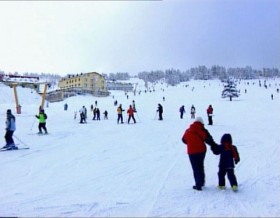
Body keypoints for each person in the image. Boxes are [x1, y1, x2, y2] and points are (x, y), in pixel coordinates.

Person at [182, 117, 219, 191]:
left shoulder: (188, 130)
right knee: (200, 166)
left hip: (191, 151)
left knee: (195, 168)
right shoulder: (202, 129)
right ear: (201, 123)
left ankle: (198, 184)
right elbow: (209, 139)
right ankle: (201, 182)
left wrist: (191, 143)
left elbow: (183, 140)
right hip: (201, 151)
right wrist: (215, 146)